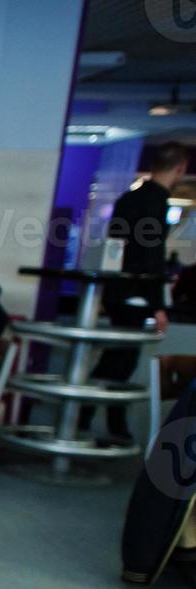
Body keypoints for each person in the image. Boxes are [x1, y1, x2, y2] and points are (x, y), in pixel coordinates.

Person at [86, 141, 189, 439]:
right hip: (138, 292)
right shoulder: (157, 201)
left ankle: (97, 419)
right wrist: (158, 304)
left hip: (118, 290)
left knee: (115, 359)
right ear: (180, 168)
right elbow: (150, 256)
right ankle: (109, 424)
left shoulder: (128, 198)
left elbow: (115, 248)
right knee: (121, 361)